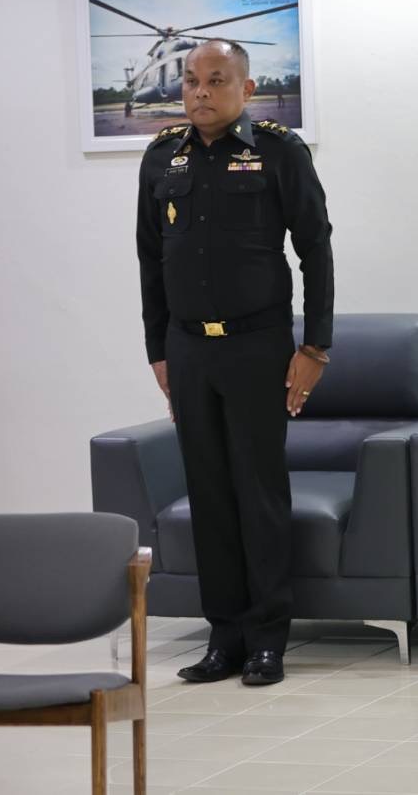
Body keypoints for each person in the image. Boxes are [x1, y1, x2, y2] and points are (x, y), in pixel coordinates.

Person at [136, 39, 334, 687]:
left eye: (216, 80)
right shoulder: (162, 156)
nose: (199, 91)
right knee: (209, 494)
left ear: (246, 89)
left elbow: (315, 249)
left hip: (258, 346)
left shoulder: (278, 150)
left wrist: (315, 346)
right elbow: (150, 260)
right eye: (191, 80)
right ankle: (223, 637)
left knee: (258, 492)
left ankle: (268, 639)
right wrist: (158, 350)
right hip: (189, 348)